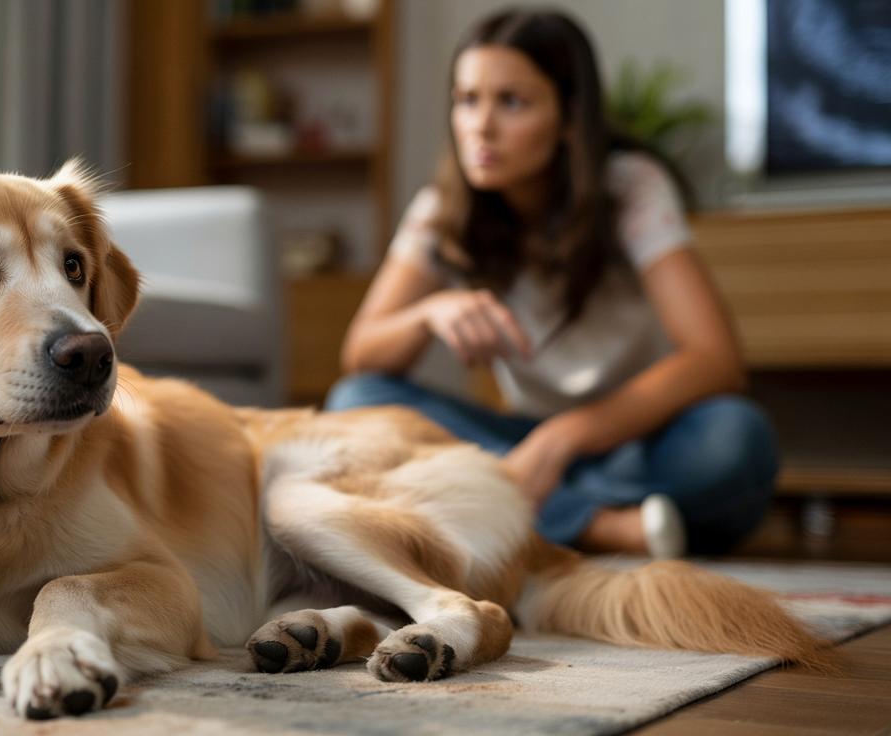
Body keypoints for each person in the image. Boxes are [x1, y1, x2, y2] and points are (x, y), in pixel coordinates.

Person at [325, 8, 778, 558]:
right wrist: (429, 312)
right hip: (518, 445)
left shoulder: (630, 187)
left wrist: (561, 439)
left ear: (569, 116)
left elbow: (715, 359)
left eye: (511, 102)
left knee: (734, 439)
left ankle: (509, 513)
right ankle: (596, 526)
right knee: (356, 402)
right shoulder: (442, 209)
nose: (480, 126)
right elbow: (361, 355)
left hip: (635, 439)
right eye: (467, 100)